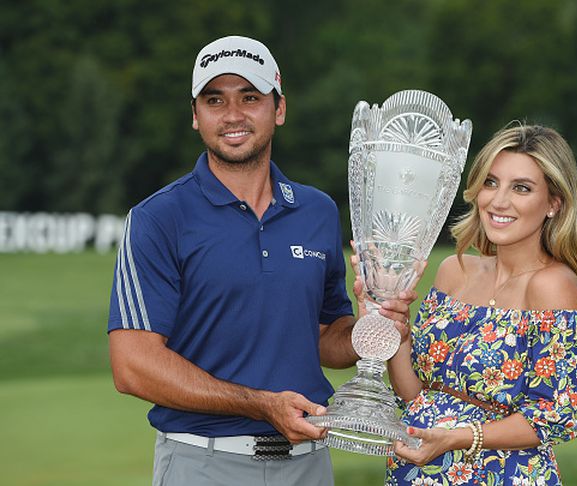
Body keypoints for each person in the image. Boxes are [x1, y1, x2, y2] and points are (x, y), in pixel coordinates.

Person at [106, 35, 413, 486]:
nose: (233, 115)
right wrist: (259, 404)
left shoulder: (317, 211)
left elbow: (326, 337)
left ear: (279, 108)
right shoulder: (158, 218)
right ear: (195, 116)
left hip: (309, 462)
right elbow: (132, 365)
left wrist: (375, 325)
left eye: (250, 97)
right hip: (203, 463)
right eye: (215, 100)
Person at [384, 124, 577, 485]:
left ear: (553, 204)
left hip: (501, 475)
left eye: (522, 188)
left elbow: (559, 414)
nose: (498, 201)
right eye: (491, 182)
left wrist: (460, 437)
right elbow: (416, 395)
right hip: (418, 474)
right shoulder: (455, 270)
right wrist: (394, 330)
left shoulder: (553, 286)